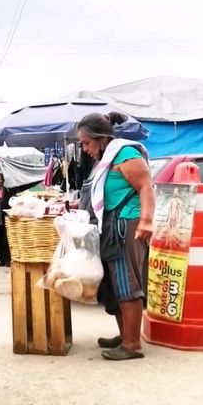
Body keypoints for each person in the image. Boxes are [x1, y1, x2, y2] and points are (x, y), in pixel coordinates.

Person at [76, 112, 155, 361]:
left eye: (86, 143)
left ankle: (132, 345)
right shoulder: (106, 159)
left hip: (126, 226)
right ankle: (124, 336)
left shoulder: (125, 154)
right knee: (114, 284)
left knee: (127, 282)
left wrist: (146, 221)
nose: (84, 149)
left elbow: (146, 187)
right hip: (110, 226)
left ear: (100, 138)